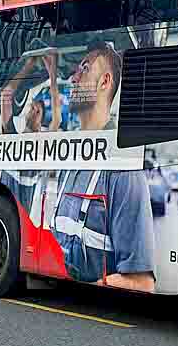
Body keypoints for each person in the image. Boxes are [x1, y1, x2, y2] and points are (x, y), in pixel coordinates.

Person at [46, 40, 156, 292]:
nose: (73, 79)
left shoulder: (123, 169)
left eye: (84, 69)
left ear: (104, 82)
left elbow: (142, 283)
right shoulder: (70, 158)